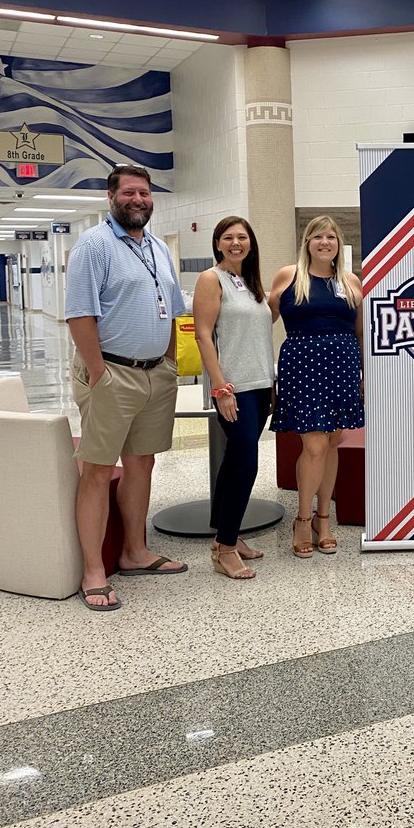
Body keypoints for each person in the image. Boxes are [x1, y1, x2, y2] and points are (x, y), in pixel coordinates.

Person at [65, 164, 187, 612]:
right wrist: (98, 373)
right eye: (130, 192)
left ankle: (134, 551)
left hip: (156, 373)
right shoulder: (94, 246)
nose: (139, 200)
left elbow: (174, 309)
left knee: (142, 463)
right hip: (112, 374)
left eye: (145, 193)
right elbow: (80, 314)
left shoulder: (156, 247)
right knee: (97, 470)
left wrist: (170, 362)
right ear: (111, 197)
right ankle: (93, 571)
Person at [268, 216, 364, 557]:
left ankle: (325, 518)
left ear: (339, 244)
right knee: (313, 446)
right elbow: (262, 322)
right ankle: (303, 519)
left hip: (342, 367)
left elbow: (360, 332)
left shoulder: (350, 281)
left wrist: (363, 375)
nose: (325, 242)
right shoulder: (288, 276)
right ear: (307, 241)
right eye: (318, 236)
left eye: (331, 237)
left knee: (332, 442)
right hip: (303, 366)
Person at [193, 217, 277, 580]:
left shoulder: (252, 283)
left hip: (260, 385)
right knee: (246, 464)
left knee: (233, 462)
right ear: (217, 244)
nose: (236, 243)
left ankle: (226, 536)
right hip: (234, 388)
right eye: (228, 237)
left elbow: (258, 336)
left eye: (242, 236)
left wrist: (271, 385)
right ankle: (226, 549)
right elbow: (202, 334)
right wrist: (220, 387)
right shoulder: (212, 279)